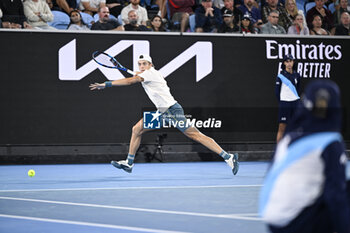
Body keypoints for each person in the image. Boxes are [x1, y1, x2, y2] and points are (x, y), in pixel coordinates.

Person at [89, 54, 239, 175]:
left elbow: (130, 81)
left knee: (195, 135)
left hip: (172, 111)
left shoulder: (150, 74)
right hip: (161, 112)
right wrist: (137, 74)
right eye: (139, 64)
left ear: (151, 65)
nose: (141, 66)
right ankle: (129, 163)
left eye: (144, 63)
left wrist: (106, 84)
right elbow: (136, 76)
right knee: (137, 129)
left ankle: (229, 157)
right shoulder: (148, 74)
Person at [259, 80, 350, 233]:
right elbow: (335, 195)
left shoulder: (289, 137)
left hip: (272, 221)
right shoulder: (330, 142)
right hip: (295, 224)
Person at [275, 54, 300, 143]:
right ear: (284, 63)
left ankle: (295, 152)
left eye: (291, 61)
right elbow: (277, 92)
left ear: (293, 62)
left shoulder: (297, 75)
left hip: (295, 103)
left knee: (296, 128)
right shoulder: (280, 76)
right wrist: (282, 102)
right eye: (287, 61)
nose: (289, 63)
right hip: (285, 104)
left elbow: (298, 89)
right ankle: (279, 153)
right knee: (282, 127)